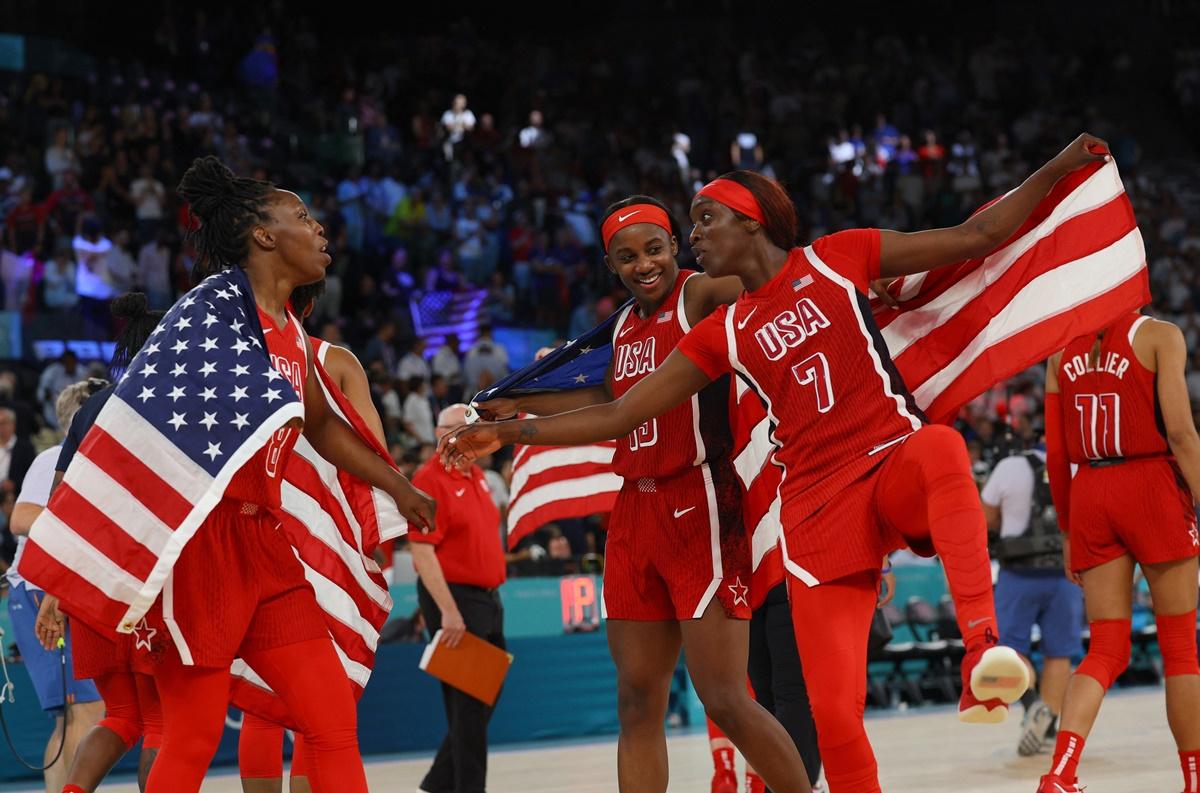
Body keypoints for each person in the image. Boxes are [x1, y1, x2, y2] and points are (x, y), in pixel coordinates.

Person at [444, 135, 1110, 792]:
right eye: (683, 227)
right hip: (813, 507)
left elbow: (976, 235)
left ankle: (982, 648)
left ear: (750, 220)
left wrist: (1056, 165)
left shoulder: (826, 261)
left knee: (939, 446)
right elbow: (621, 408)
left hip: (854, 468)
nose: (692, 236)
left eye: (702, 220)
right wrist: (513, 426)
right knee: (826, 717)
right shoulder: (716, 331)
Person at [27, 156, 436, 793]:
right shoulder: (212, 307)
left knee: (331, 722)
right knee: (191, 735)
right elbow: (141, 425)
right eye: (303, 216)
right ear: (264, 236)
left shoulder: (294, 334)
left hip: (264, 546)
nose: (320, 228)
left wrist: (397, 485)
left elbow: (325, 425)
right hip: (199, 549)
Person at [470, 196, 811, 793]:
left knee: (726, 698)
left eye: (655, 249)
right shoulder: (624, 326)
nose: (643, 264)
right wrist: (518, 404)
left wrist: (837, 283)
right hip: (635, 510)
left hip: (700, 501)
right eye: (627, 257)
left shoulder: (699, 295)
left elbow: (765, 277)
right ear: (611, 264)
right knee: (635, 698)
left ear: (675, 248)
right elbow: (607, 397)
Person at [1036, 311, 1200, 793]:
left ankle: (1060, 773)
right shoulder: (1159, 336)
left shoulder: (1059, 349)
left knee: (1106, 649)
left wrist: (1068, 531)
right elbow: (1181, 435)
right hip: (1149, 486)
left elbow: (1055, 454)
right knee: (1180, 648)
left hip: (1090, 492)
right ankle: (1193, 781)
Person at [237, 277, 387, 793]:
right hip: (324, 538)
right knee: (325, 683)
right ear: (314, 302)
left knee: (265, 689)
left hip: (256, 528)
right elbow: (374, 450)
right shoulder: (337, 361)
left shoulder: (239, 350)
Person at [34, 294, 167, 793]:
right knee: (159, 722)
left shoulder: (91, 407)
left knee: (121, 716)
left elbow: (60, 502)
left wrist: (55, 590)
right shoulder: (170, 406)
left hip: (88, 586)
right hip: (145, 583)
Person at [6, 382, 104, 793]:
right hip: (41, 590)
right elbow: (20, 518)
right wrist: (79, 515)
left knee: (74, 718)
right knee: (86, 711)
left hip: (48, 587)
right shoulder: (54, 458)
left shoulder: (82, 459)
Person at [409, 403, 508, 793]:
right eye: (466, 430)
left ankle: (438, 781)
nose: (475, 437)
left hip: (488, 600)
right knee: (468, 705)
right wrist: (448, 611)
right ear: (441, 435)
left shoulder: (480, 475)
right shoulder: (430, 480)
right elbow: (421, 551)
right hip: (456, 600)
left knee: (485, 697)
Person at [981, 442, 1083, 757]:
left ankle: (1031, 706)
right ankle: (1049, 727)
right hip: (1064, 573)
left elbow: (986, 516)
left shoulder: (1009, 466)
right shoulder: (1076, 466)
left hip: (1018, 574)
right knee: (1059, 654)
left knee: (1010, 652)